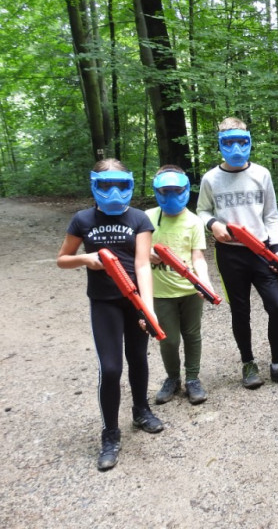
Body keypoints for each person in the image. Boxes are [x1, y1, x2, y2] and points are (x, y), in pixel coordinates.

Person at [56, 158, 164, 471]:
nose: (114, 191)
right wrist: (86, 259)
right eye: (106, 185)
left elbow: (143, 265)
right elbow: (62, 259)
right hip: (103, 303)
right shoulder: (82, 219)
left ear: (129, 184)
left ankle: (141, 410)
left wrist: (148, 308)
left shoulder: (139, 218)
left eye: (120, 184)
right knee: (111, 368)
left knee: (138, 358)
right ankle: (110, 433)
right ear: (95, 185)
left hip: (134, 301)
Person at [196, 117, 278, 389]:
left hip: (262, 251)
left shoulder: (262, 174)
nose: (236, 148)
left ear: (249, 141)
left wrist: (277, 249)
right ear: (220, 143)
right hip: (229, 254)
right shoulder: (211, 178)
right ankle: (248, 363)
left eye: (241, 141)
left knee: (277, 306)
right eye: (229, 142)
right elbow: (202, 210)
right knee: (240, 310)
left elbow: (271, 214)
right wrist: (213, 224)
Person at [146, 165, 213, 405]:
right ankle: (172, 378)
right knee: (169, 339)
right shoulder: (146, 218)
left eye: (177, 190)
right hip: (160, 292)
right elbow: (134, 251)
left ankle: (192, 379)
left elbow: (198, 257)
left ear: (185, 190)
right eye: (166, 191)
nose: (171, 195)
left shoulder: (194, 221)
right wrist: (147, 253)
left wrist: (204, 283)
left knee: (192, 335)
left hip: (190, 291)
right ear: (157, 191)